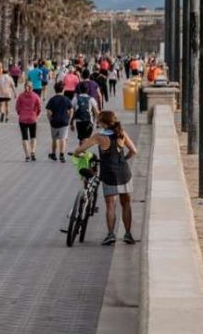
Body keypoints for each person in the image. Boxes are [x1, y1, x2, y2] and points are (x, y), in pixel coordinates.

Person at [73, 110, 137, 246]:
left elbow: (78, 150)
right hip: (124, 173)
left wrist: (81, 155)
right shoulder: (121, 133)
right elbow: (134, 151)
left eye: (99, 120)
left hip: (108, 174)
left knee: (110, 205)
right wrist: (124, 159)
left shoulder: (99, 137)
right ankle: (128, 234)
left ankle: (111, 235)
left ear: (103, 123)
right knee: (126, 204)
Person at [45, 81, 74, 163]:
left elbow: (48, 111)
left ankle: (53, 154)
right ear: (63, 89)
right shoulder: (66, 99)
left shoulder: (52, 99)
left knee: (54, 139)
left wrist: (50, 119)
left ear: (55, 89)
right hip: (64, 121)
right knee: (63, 139)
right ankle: (62, 155)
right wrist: (70, 119)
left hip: (54, 121)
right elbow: (71, 110)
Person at [15, 82, 42, 162]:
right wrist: (36, 115)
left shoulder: (20, 96)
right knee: (33, 136)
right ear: (32, 87)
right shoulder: (35, 96)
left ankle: (27, 155)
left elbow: (17, 107)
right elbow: (39, 108)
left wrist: (21, 113)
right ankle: (32, 152)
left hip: (22, 118)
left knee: (25, 137)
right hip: (33, 118)